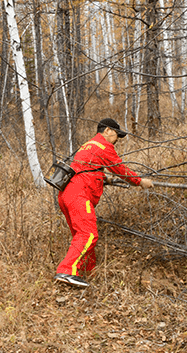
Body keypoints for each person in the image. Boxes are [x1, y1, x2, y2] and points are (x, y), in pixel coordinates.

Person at [54, 118, 153, 288]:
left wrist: (103, 178)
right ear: (107, 130)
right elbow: (120, 169)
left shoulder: (88, 145)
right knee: (88, 234)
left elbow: (86, 169)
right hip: (79, 195)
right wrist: (139, 181)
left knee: (82, 235)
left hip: (66, 194)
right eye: (116, 135)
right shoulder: (103, 145)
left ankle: (88, 270)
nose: (116, 140)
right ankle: (67, 271)